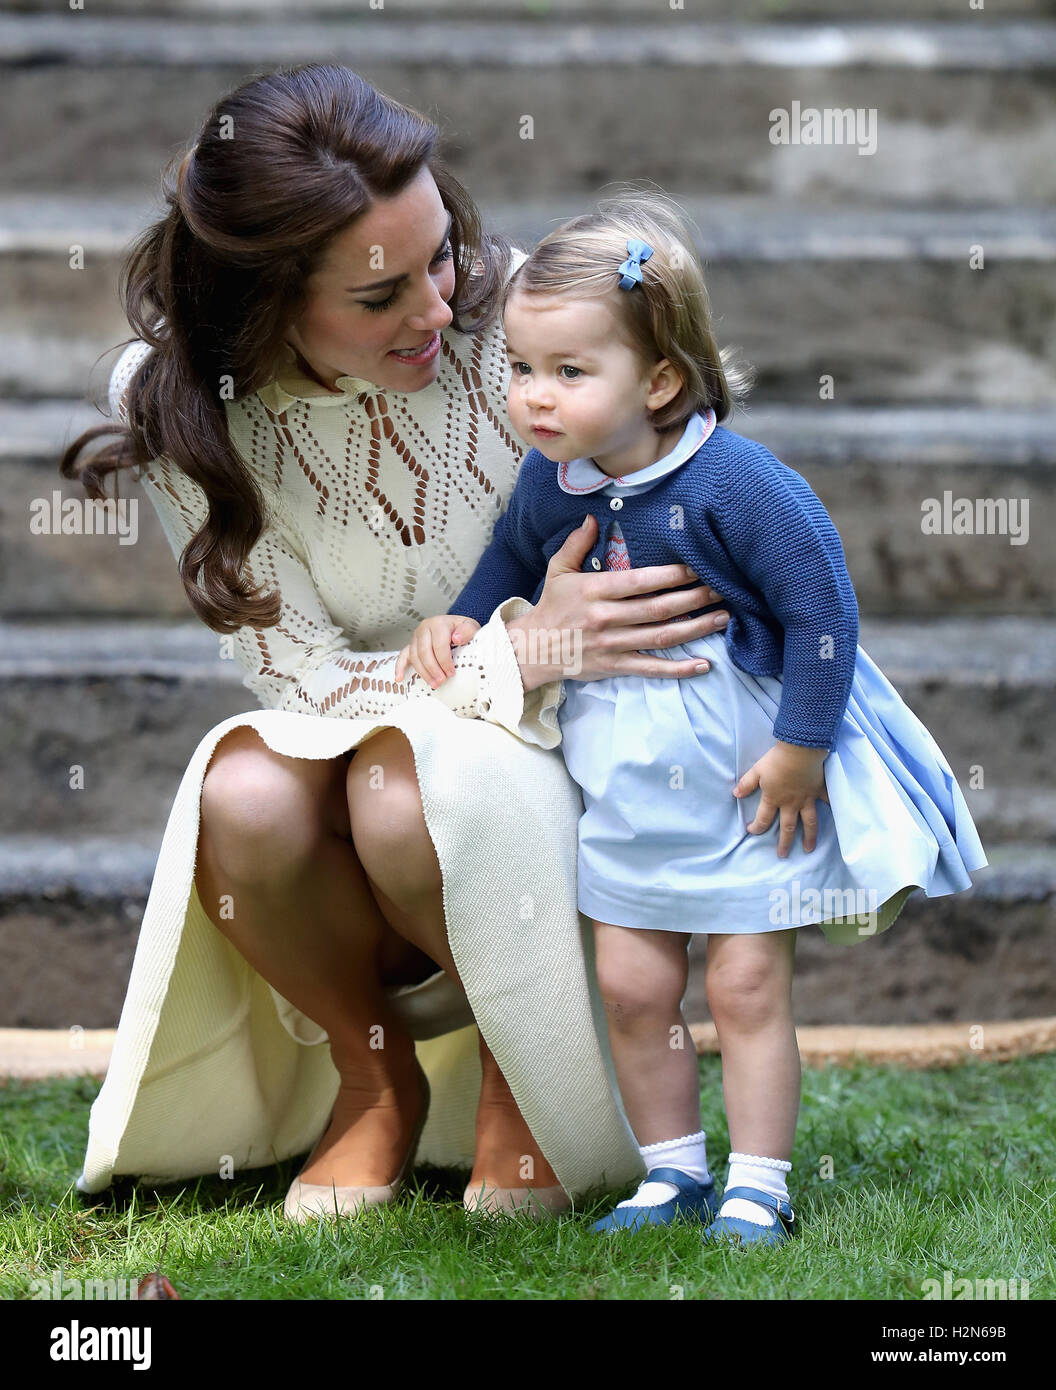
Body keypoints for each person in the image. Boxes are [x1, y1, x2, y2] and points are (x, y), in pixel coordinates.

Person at [59, 66, 738, 1223]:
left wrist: (541, 656)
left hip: (576, 738)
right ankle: (374, 1077)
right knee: (247, 790)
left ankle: (533, 1079)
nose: (435, 308)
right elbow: (300, 675)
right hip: (424, 714)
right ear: (262, 302)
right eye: (379, 296)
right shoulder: (182, 401)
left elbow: (690, 525)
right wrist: (507, 658)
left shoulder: (528, 321)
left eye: (439, 257)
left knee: (397, 784)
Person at [394, 190, 990, 1245]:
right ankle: (670, 1172)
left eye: (570, 372)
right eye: (524, 369)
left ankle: (759, 1178)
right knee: (632, 977)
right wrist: (466, 618)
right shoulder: (555, 478)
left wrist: (802, 749)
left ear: (660, 379)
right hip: (623, 772)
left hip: (743, 769)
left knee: (748, 977)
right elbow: (509, 555)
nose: (535, 396)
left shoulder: (739, 485)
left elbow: (822, 612)